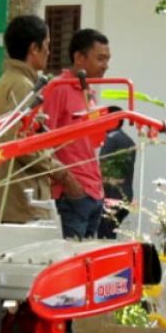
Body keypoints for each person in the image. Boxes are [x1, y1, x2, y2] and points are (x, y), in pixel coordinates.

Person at [0, 15, 83, 224]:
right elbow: (20, 143)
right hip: (17, 201)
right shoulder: (24, 86)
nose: (49, 51)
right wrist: (63, 175)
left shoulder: (5, 80)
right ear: (34, 48)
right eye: (47, 45)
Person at [43, 28, 112, 240]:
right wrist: (68, 182)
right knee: (70, 262)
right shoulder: (58, 88)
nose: (105, 66)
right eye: (100, 58)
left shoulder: (89, 91)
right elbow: (41, 141)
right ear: (79, 58)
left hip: (93, 194)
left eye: (107, 59)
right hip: (73, 195)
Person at [98, 106, 135, 240]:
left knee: (103, 239)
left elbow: (102, 168)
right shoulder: (128, 140)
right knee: (109, 235)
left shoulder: (110, 139)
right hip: (125, 196)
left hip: (110, 197)